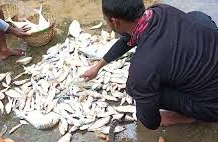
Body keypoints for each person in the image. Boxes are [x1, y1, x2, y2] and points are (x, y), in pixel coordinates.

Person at [81, 0, 218, 130]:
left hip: (212, 105)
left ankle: (187, 117)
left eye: (106, 20)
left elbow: (150, 122)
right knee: (197, 17)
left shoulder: (142, 68)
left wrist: (152, 117)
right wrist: (98, 67)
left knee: (135, 88)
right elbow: (128, 39)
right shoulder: (160, 11)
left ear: (115, 21)